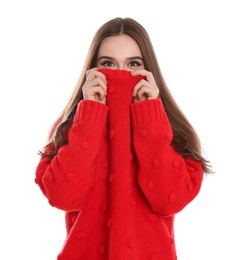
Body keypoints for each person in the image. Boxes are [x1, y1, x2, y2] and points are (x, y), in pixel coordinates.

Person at [34, 17, 212, 260]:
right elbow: (63, 196)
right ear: (92, 72)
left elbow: (169, 199)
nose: (120, 74)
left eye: (133, 64)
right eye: (108, 63)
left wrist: (150, 118)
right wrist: (89, 117)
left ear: (149, 70)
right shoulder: (71, 127)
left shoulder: (168, 126)